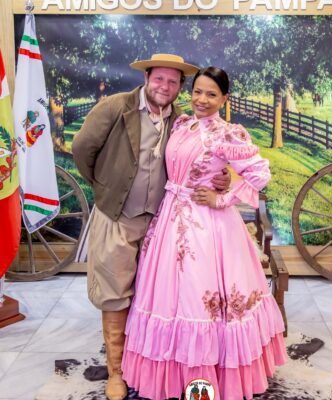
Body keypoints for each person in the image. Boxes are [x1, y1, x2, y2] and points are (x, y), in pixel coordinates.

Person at [121, 67, 287, 399]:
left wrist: (222, 196)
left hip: (208, 229)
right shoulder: (182, 123)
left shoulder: (228, 134)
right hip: (170, 219)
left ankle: (209, 380)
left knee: (199, 299)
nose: (202, 99)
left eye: (212, 94)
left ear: (224, 98)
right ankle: (173, 376)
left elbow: (260, 174)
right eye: (197, 91)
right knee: (167, 296)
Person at [72, 54, 230, 400]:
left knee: (153, 296)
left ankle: (143, 364)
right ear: (146, 78)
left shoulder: (182, 120)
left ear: (180, 87)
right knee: (115, 292)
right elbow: (82, 149)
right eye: (159, 79)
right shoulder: (116, 107)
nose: (164, 87)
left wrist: (223, 177)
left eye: (173, 82)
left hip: (163, 222)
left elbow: (200, 161)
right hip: (118, 217)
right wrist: (106, 187)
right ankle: (116, 372)